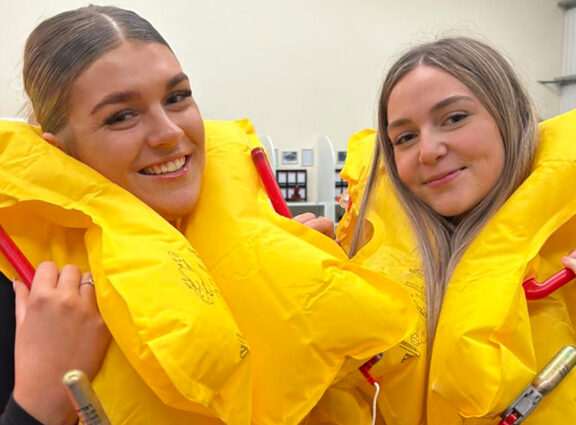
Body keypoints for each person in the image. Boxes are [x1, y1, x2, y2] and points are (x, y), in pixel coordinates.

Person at [1, 5, 413, 425]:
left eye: (177, 97)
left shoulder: (269, 223)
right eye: (121, 116)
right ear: (60, 151)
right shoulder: (22, 290)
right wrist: (39, 400)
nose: (168, 133)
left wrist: (318, 285)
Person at [318, 37, 576, 424]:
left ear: (511, 116)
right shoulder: (356, 262)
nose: (428, 151)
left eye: (454, 118)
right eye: (405, 137)